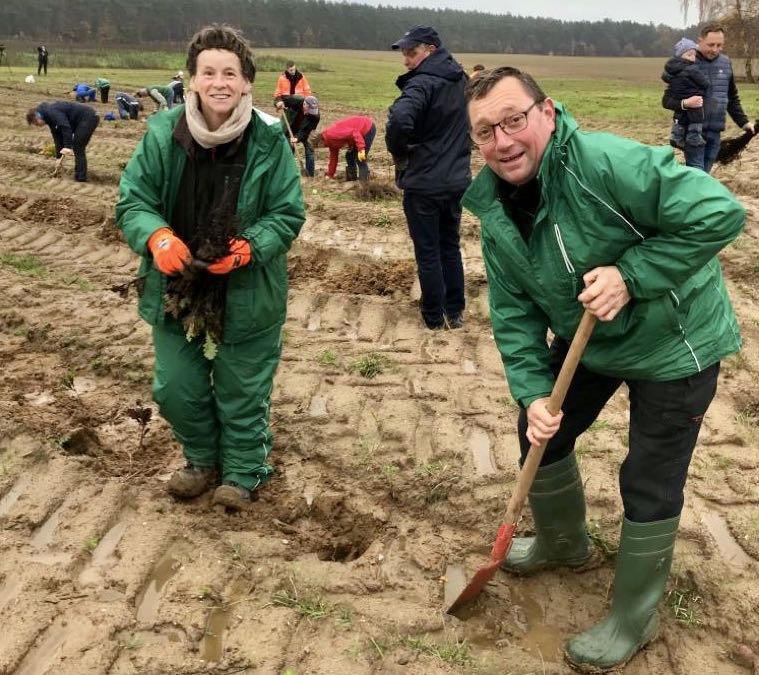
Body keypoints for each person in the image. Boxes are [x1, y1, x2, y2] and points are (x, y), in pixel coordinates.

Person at [463, 66, 744, 672]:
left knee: (648, 475)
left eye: (514, 120)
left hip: (675, 341)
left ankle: (633, 616)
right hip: (589, 339)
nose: (502, 142)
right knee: (541, 430)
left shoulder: (604, 164)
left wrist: (631, 275)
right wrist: (533, 395)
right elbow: (512, 314)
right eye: (485, 131)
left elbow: (720, 211)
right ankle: (564, 544)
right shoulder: (495, 210)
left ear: (547, 113)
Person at [116, 24, 305, 511]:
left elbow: (286, 213)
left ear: (246, 82)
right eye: (208, 72)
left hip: (246, 288)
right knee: (175, 388)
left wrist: (249, 248)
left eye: (230, 73)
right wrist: (157, 237)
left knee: (242, 391)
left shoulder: (269, 139)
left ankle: (242, 471)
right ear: (193, 79)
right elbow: (134, 200)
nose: (219, 82)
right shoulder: (164, 132)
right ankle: (201, 460)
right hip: (178, 284)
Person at [386, 25, 471, 330]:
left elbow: (399, 119)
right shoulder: (461, 79)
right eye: (404, 53)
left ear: (430, 50)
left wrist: (401, 154)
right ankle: (455, 311)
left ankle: (434, 317)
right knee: (449, 246)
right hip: (457, 180)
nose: (406, 60)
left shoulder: (423, 83)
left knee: (428, 251)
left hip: (424, 183)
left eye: (411, 52)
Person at [663, 22, 754, 172]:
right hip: (693, 131)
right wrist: (685, 103)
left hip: (715, 131)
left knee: (704, 173)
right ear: (700, 41)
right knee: (698, 174)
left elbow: (732, 97)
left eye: (719, 45)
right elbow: (667, 100)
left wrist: (744, 122)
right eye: (711, 45)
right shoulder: (687, 62)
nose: (715, 49)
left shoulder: (725, 63)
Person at [26, 101, 100, 182]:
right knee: (77, 146)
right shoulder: (49, 119)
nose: (38, 126)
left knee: (78, 146)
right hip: (83, 120)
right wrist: (58, 157)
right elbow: (57, 138)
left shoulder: (52, 111)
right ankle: (79, 176)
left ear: (38, 116)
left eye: (36, 123)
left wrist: (67, 146)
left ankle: (81, 177)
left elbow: (65, 127)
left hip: (89, 117)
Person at [661, 38, 709, 150]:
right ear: (680, 56)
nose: (693, 58)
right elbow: (666, 101)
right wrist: (685, 103)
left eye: (694, 55)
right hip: (696, 112)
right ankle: (693, 137)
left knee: (680, 116)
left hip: (709, 124)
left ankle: (677, 136)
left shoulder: (673, 71)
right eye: (689, 55)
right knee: (694, 114)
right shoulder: (692, 69)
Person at [311, 115, 375, 181]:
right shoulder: (330, 143)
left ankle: (363, 182)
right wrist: (330, 175)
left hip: (366, 127)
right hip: (358, 133)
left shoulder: (332, 134)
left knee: (360, 158)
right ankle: (352, 179)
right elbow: (333, 158)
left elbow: (354, 132)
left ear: (320, 142)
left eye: (318, 146)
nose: (321, 148)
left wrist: (361, 149)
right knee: (349, 156)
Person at [279, 94, 320, 177]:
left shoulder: (315, 116)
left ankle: (309, 175)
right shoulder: (297, 100)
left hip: (304, 130)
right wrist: (278, 102)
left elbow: (306, 132)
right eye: (309, 110)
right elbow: (280, 98)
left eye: (312, 111)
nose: (310, 113)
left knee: (310, 149)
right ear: (304, 104)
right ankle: (289, 173)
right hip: (290, 126)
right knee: (289, 148)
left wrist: (297, 138)